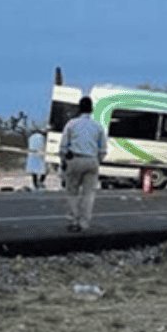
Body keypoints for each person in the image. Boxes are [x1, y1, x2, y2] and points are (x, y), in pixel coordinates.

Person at [59, 97, 107, 232]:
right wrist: (97, 160)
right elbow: (103, 149)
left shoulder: (71, 124)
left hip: (75, 159)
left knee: (72, 192)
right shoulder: (98, 126)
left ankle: (73, 220)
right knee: (89, 194)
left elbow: (63, 146)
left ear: (79, 109)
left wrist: (64, 160)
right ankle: (84, 222)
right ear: (91, 110)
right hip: (92, 160)